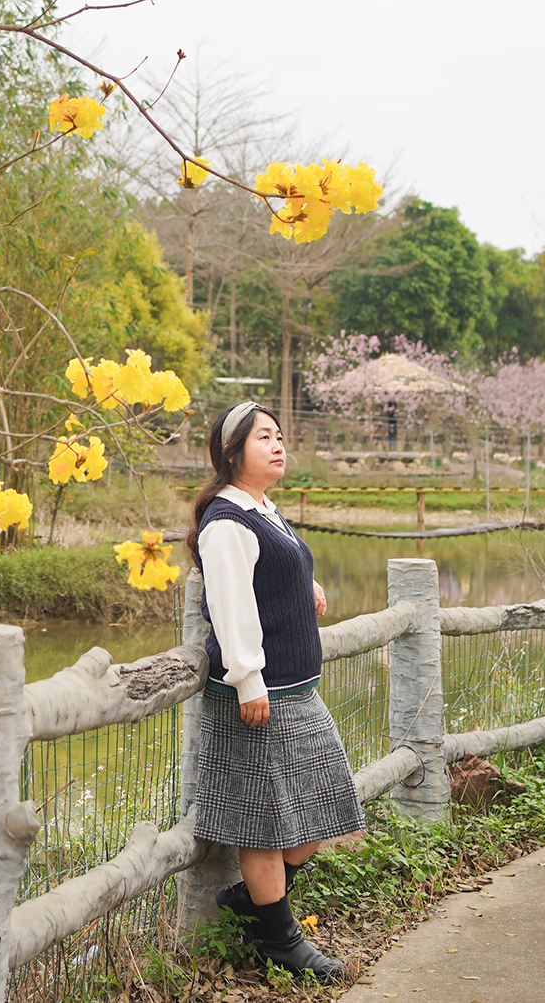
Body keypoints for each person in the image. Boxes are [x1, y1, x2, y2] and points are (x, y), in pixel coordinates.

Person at [186, 400, 365, 983]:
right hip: (259, 696)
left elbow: (271, 567)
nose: (279, 444)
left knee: (324, 801)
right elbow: (231, 605)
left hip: (297, 690)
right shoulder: (226, 521)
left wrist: (303, 579)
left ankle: (255, 902)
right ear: (233, 452)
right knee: (264, 822)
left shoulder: (261, 509)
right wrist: (246, 679)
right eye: (265, 437)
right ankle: (282, 941)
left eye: (281, 435)